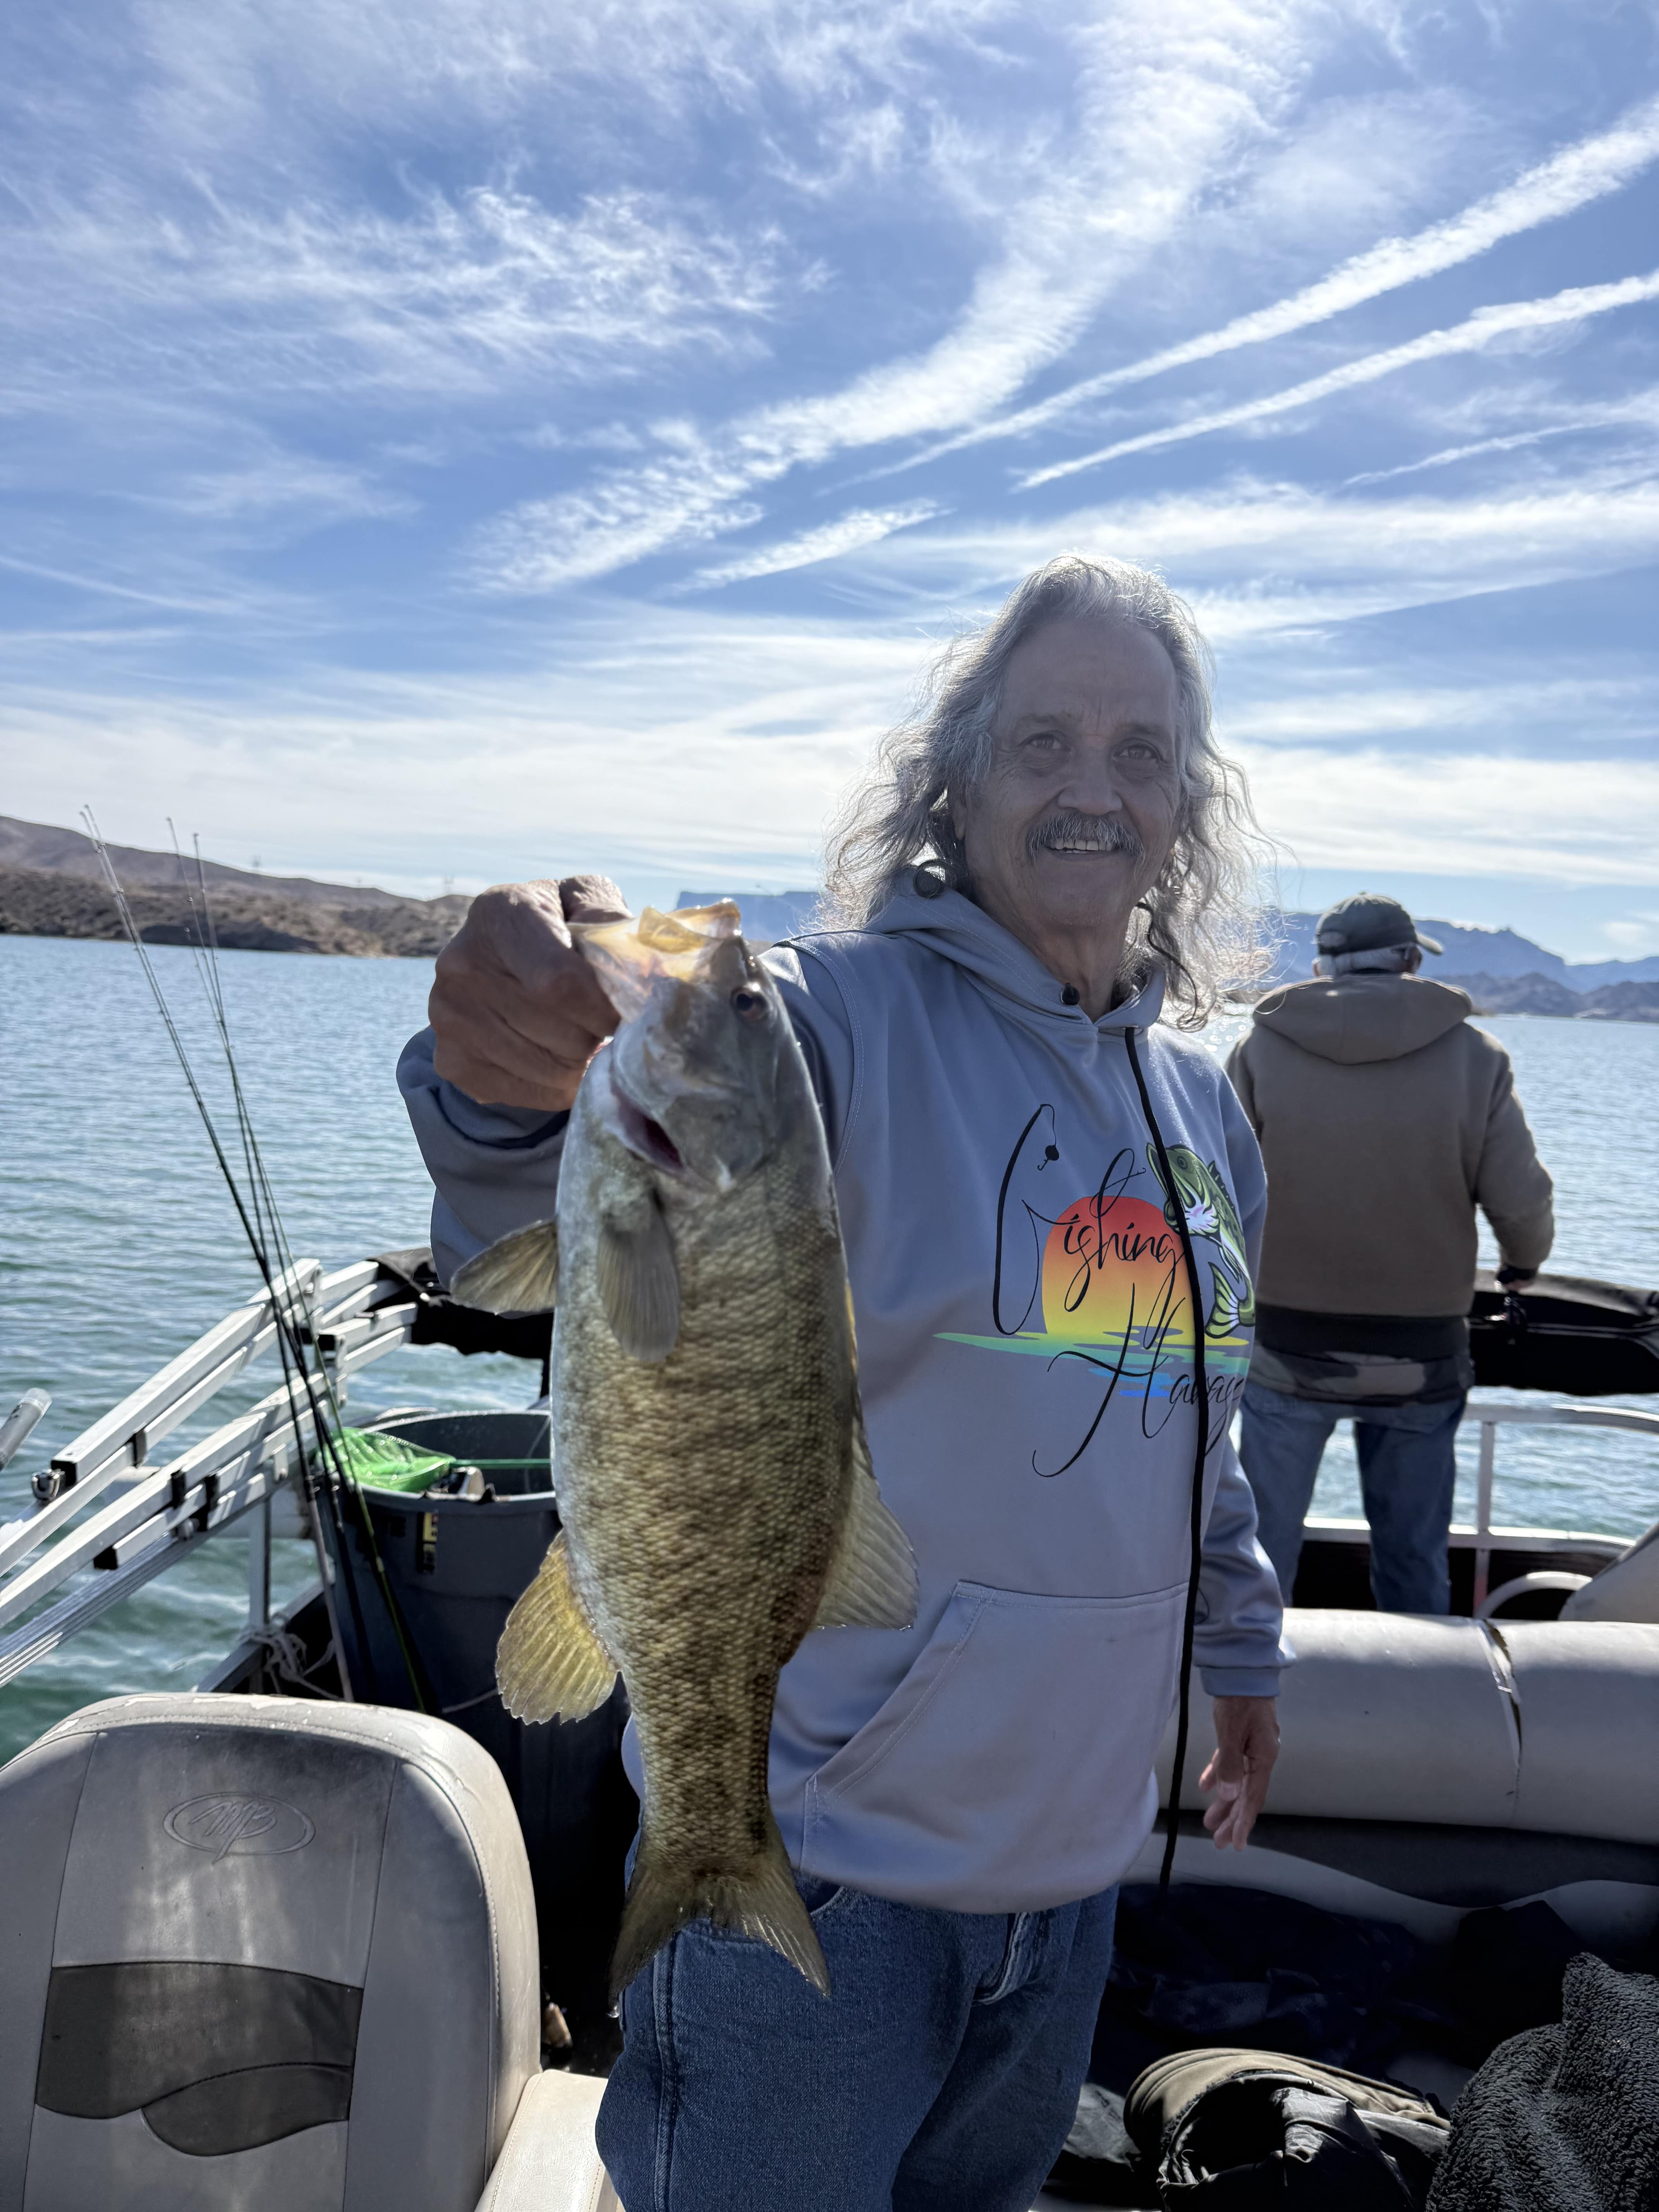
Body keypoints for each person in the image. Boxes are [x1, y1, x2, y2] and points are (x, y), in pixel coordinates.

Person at [400, 555, 1288, 2212]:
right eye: (1043, 743)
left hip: (1077, 1879)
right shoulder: (825, 1014)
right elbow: (624, 984)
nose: (1095, 788)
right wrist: (511, 1010)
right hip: (824, 1871)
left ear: (1187, 806)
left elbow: (1184, 1418)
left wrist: (1241, 1652)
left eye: (1142, 752)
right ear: (954, 778)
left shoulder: (1202, 1110)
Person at [1226, 893, 1554, 1615]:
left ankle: (1246, 1703)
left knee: (1259, 1550)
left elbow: (1212, 1189)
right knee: (1412, 1553)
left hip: (1283, 1344)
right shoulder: (1478, 1056)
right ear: (1409, 961)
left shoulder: (1260, 1049)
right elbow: (1520, 1201)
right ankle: (1420, 1707)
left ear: (1321, 965)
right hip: (1421, 1353)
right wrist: (1524, 1265)